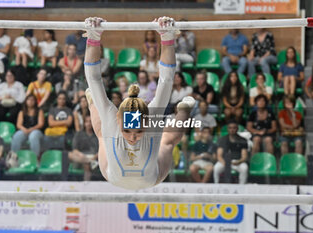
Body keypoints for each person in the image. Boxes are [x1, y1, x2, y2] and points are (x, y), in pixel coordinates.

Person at [84, 16, 195, 190]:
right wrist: (93, 37)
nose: (133, 137)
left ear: (146, 121)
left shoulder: (152, 117)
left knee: (168, 140)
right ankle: (92, 101)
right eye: (127, 131)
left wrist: (167, 39)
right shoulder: (114, 119)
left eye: (138, 131)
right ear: (119, 120)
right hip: (113, 175)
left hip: (151, 177)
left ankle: (185, 108)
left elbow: (166, 80)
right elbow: (93, 78)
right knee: (101, 131)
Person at [214, 120, 248, 184]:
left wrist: (239, 161)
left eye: (234, 128)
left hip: (237, 162)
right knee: (216, 168)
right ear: (227, 129)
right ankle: (216, 186)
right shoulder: (222, 139)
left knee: (244, 168)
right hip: (224, 161)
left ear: (237, 128)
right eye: (230, 128)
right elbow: (219, 155)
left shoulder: (243, 140)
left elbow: (244, 156)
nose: (232, 130)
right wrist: (225, 163)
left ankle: (242, 187)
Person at [69, 115, 99, 181]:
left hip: (93, 160)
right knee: (70, 155)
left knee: (86, 164)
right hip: (80, 158)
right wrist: (82, 156)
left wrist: (93, 158)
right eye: (87, 122)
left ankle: (86, 185)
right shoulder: (79, 134)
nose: (89, 123)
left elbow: (100, 151)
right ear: (84, 123)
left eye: (90, 122)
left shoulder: (97, 136)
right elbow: (75, 150)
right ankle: (87, 160)